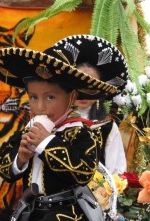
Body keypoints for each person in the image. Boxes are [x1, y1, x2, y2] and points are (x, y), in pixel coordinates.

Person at [0, 45, 118, 221]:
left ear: (71, 98)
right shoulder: (26, 132)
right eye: (33, 98)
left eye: (50, 98)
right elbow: (2, 171)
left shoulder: (82, 132)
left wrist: (47, 143)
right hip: (29, 211)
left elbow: (84, 173)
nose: (40, 107)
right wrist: (20, 159)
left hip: (66, 215)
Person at [54, 34, 128, 174]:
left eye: (92, 86)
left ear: (101, 89)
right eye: (79, 85)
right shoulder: (51, 123)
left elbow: (117, 175)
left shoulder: (107, 128)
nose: (85, 92)